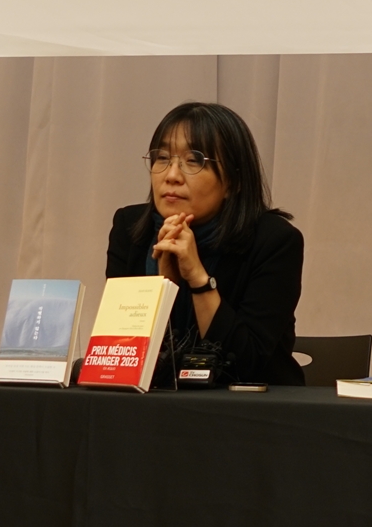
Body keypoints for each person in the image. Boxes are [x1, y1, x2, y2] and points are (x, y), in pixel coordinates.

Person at [106, 102, 305, 385]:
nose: (171, 175)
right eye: (162, 158)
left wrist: (198, 279)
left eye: (194, 161)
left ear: (234, 181)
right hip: (155, 408)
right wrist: (164, 287)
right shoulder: (130, 228)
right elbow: (121, 352)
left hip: (254, 412)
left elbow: (246, 363)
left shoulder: (274, 241)